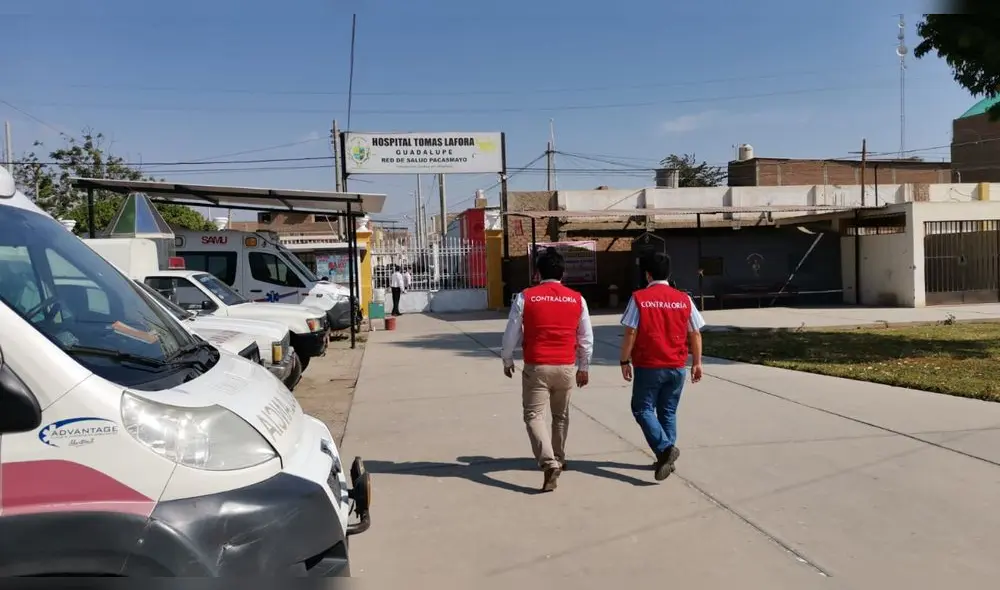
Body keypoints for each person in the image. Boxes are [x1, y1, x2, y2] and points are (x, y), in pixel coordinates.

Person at [501, 247, 594, 493]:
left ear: (538, 273)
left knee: (533, 416)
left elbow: (512, 331)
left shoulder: (526, 296)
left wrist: (507, 358)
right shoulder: (577, 298)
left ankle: (548, 462)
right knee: (560, 416)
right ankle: (559, 458)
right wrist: (583, 366)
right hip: (566, 366)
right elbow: (586, 337)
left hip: (537, 366)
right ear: (563, 273)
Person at [619, 252, 705, 482]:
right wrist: (697, 362)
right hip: (677, 364)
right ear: (669, 274)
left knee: (642, 408)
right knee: (667, 411)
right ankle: (666, 458)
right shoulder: (683, 298)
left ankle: (665, 449)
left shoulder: (639, 298)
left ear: (647, 275)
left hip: (649, 364)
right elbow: (695, 332)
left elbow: (630, 331)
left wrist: (624, 360)